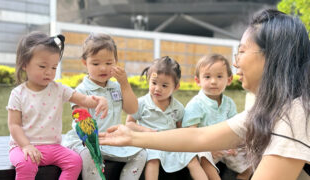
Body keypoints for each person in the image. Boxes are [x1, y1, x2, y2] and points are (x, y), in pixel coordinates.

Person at [99, 9, 310, 179]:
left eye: (242, 51)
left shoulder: (294, 114)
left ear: (272, 56)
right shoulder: (273, 108)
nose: (235, 61)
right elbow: (200, 136)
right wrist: (133, 137)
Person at [7, 32, 108, 180]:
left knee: (74, 161)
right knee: (26, 164)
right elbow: (14, 125)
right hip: (23, 147)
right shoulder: (18, 94)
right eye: (42, 66)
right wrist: (26, 146)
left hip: (54, 148)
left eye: (54, 67)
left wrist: (99, 100)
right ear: (24, 64)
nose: (49, 72)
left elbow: (84, 100)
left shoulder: (59, 89)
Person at [62, 33, 147, 180]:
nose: (103, 68)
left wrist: (124, 84)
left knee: (142, 153)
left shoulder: (116, 87)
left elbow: (132, 110)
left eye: (108, 63)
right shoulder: (82, 91)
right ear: (84, 62)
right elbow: (80, 120)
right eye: (95, 64)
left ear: (116, 61)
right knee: (89, 155)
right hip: (87, 141)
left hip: (111, 141)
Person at [126, 56, 207, 180]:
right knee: (153, 160)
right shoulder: (141, 103)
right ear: (148, 80)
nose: (157, 89)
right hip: (150, 143)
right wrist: (144, 130)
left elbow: (181, 129)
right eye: (154, 83)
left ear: (176, 87)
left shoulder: (178, 108)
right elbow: (129, 124)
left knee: (192, 159)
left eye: (164, 85)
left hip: (170, 144)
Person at [182, 54, 251, 180]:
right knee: (203, 156)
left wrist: (232, 144)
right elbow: (190, 134)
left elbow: (234, 128)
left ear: (229, 80)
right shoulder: (196, 104)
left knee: (251, 148)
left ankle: (244, 175)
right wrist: (209, 148)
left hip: (225, 144)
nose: (213, 81)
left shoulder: (229, 103)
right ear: (198, 81)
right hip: (204, 146)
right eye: (207, 77)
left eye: (219, 76)